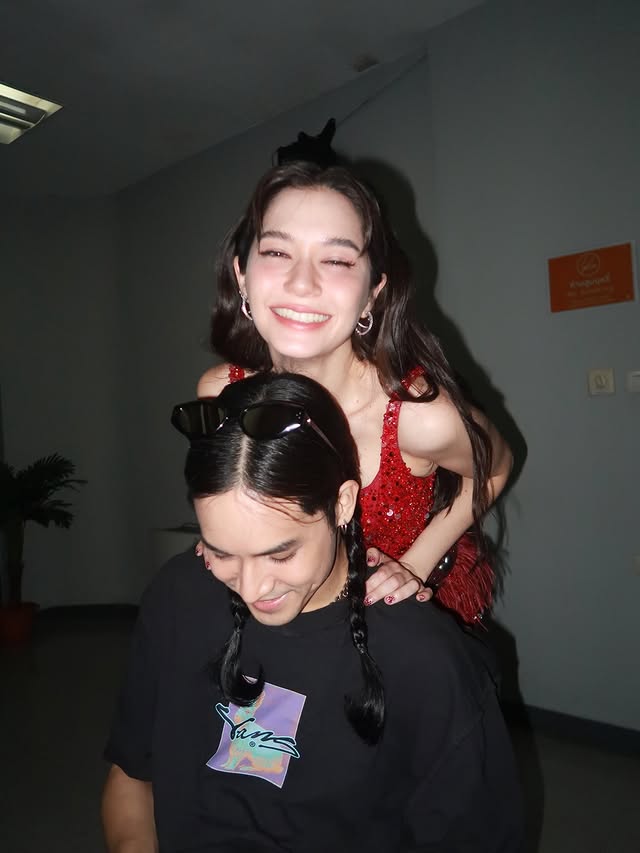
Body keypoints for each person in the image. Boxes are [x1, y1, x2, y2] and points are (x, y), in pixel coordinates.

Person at [102, 372, 524, 852]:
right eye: (221, 552)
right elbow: (131, 775)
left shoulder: (423, 659)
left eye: (280, 555)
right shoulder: (179, 597)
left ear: (342, 503)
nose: (252, 588)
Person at [197, 162, 513, 623]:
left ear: (372, 293)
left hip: (391, 625)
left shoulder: (418, 416)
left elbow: (495, 468)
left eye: (337, 261)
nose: (301, 282)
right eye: (278, 252)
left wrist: (416, 564)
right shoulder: (221, 393)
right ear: (242, 275)